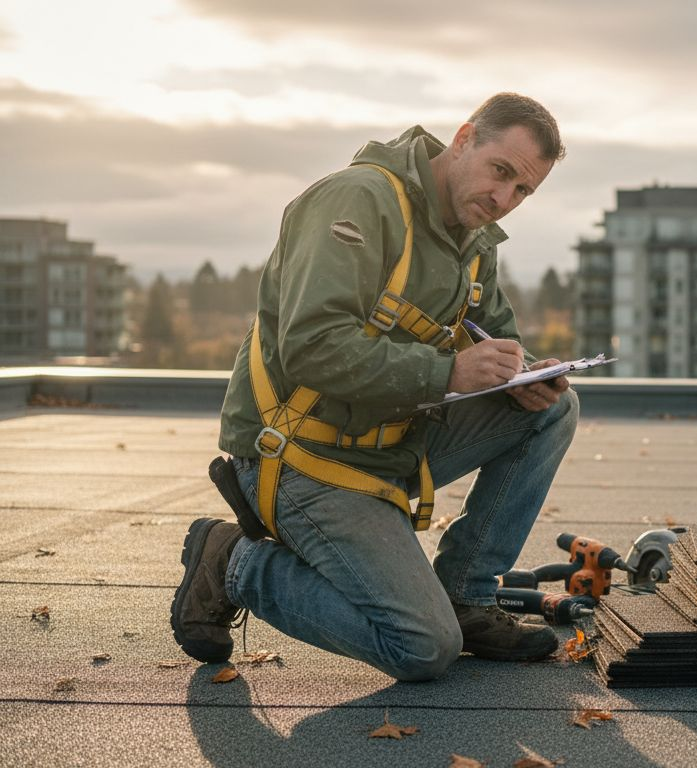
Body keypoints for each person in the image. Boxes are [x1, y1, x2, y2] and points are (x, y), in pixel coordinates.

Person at [170, 93, 578, 681]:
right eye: (500, 171)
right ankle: (234, 561)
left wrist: (528, 378)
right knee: (422, 648)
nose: (503, 199)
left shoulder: (473, 241)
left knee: (552, 411)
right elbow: (311, 345)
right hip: (301, 456)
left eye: (522, 191)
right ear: (463, 139)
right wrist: (447, 373)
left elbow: (497, 341)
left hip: (388, 445)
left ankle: (466, 596)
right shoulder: (357, 200)